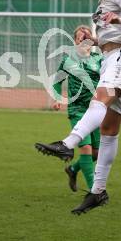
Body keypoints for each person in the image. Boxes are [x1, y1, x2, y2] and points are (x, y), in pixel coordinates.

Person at [34, 0, 121, 214]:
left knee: (99, 101)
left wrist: (116, 19)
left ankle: (67, 144)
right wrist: (95, 41)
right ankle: (98, 192)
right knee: (109, 130)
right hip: (110, 57)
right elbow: (113, 33)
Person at [37, 25, 101, 192]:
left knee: (97, 153)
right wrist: (57, 98)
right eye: (81, 38)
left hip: (96, 111)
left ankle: (72, 170)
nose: (84, 41)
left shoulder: (99, 59)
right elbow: (57, 82)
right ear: (75, 41)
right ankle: (95, 192)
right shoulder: (68, 60)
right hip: (77, 110)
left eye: (87, 38)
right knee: (86, 149)